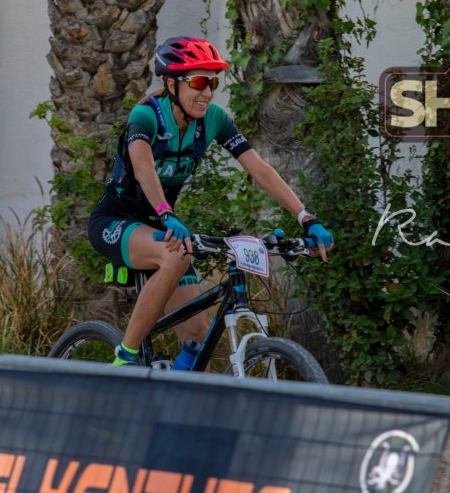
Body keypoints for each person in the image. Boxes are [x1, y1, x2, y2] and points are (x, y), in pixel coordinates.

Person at [86, 36, 335, 366]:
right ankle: (125, 358)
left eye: (213, 83)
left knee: (197, 337)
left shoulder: (213, 119)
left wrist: (306, 218)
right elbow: (144, 170)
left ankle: (177, 391)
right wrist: (166, 213)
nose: (207, 92)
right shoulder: (146, 116)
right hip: (116, 221)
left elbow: (259, 169)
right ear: (172, 84)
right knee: (176, 254)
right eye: (199, 82)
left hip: (162, 227)